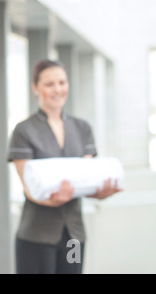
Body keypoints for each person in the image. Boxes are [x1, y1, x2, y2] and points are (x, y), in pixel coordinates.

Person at [7, 59, 122, 274]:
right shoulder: (23, 131)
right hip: (36, 237)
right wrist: (52, 199)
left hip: (73, 237)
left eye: (62, 82)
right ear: (35, 88)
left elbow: (87, 180)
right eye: (49, 84)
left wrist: (100, 193)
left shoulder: (82, 128)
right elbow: (29, 189)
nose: (57, 89)